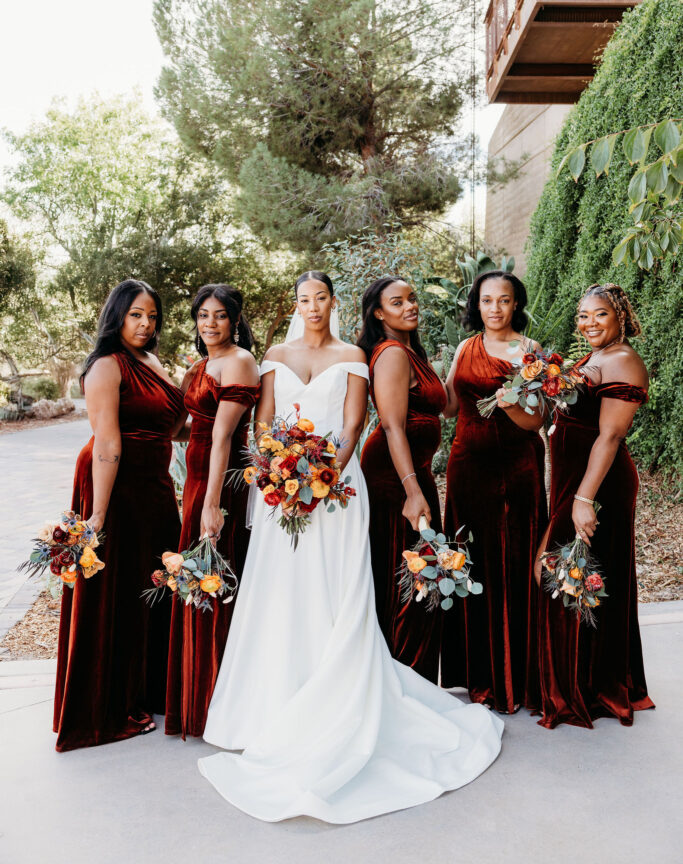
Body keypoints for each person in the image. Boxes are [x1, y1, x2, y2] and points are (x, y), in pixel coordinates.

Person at [197, 270, 503, 824]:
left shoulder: (353, 356)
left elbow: (353, 425)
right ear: (295, 305)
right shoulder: (273, 354)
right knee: (279, 591)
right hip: (277, 492)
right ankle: (269, 708)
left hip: (334, 493)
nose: (312, 307)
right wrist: (277, 474)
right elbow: (263, 423)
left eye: (320, 298)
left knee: (335, 591)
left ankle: (336, 699)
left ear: (333, 303)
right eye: (303, 299)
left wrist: (320, 481)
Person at [53, 279, 184, 751]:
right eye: (135, 315)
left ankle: (147, 690)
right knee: (118, 594)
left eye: (152, 315)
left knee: (154, 587)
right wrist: (98, 516)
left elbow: (172, 424)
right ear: (116, 316)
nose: (146, 324)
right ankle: (105, 708)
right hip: (116, 485)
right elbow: (108, 441)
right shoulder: (107, 366)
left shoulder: (153, 362)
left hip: (154, 489)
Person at [536, 282, 655, 729]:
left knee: (583, 574)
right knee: (571, 574)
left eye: (599, 315)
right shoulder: (593, 358)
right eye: (582, 315)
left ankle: (591, 687)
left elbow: (609, 436)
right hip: (576, 479)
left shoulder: (622, 359)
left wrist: (584, 499)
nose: (588, 323)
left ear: (619, 315)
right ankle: (577, 681)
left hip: (598, 486)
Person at [441, 270, 547, 714]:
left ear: (515, 304)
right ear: (476, 305)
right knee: (473, 559)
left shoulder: (531, 352)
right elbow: (448, 406)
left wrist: (512, 406)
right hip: (467, 467)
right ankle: (479, 673)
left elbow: (537, 421)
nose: (495, 309)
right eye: (487, 301)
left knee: (513, 559)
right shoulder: (465, 348)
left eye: (504, 300)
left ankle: (516, 675)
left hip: (515, 468)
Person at [165, 284, 260, 738]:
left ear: (235, 320)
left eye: (219, 316)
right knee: (196, 577)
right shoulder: (200, 366)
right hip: (199, 480)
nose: (210, 324)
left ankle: (218, 699)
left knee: (218, 575)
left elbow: (222, 436)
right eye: (202, 315)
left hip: (223, 483)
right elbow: (190, 430)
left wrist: (212, 503)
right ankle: (194, 696)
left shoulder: (239, 361)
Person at [358, 277, 446, 682]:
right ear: (379, 313)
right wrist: (412, 491)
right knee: (411, 578)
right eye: (398, 302)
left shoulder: (412, 351)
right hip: (394, 480)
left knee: (425, 574)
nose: (410, 306)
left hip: (415, 473)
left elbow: (444, 408)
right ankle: (403, 681)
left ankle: (414, 680)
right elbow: (392, 426)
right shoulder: (392, 353)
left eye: (412, 299)